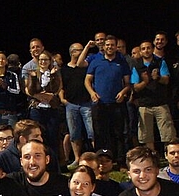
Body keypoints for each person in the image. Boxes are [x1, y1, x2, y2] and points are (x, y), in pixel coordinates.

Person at [85, 35, 131, 167]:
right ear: (103, 47)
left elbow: (128, 83)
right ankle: (100, 162)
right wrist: (92, 93)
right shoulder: (96, 62)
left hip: (116, 104)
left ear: (116, 47)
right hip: (99, 104)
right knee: (99, 134)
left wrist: (123, 92)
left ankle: (120, 162)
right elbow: (87, 80)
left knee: (118, 134)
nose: (110, 47)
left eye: (112, 45)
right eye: (107, 45)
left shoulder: (122, 62)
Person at [131, 40, 177, 150]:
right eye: (143, 49)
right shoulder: (137, 66)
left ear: (152, 49)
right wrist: (145, 82)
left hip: (160, 103)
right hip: (144, 104)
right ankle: (152, 156)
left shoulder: (160, 62)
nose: (146, 50)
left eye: (148, 48)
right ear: (141, 52)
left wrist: (158, 78)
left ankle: (169, 155)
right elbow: (135, 87)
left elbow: (166, 80)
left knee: (168, 133)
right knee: (146, 135)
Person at [26, 50, 62, 172]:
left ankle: (53, 166)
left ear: (50, 61)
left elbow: (56, 88)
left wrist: (52, 76)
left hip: (51, 108)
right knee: (37, 136)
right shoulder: (34, 73)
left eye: (45, 60)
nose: (43, 62)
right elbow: (31, 90)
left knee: (52, 137)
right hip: (37, 108)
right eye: (41, 60)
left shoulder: (55, 72)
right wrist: (34, 78)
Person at [60, 43, 94, 168]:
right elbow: (61, 86)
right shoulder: (64, 69)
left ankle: (95, 157)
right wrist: (63, 100)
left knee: (92, 132)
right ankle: (77, 158)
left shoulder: (86, 66)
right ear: (72, 52)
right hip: (71, 104)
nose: (83, 53)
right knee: (74, 134)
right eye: (79, 50)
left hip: (86, 103)